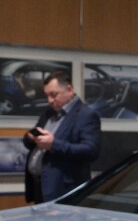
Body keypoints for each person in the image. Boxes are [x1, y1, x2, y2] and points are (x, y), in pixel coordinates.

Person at [23, 70, 101, 203]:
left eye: (54, 95)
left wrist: (54, 144)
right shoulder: (48, 114)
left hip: (63, 190)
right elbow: (29, 141)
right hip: (39, 187)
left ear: (69, 89)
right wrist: (30, 137)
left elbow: (91, 150)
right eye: (47, 96)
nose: (50, 100)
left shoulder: (86, 115)